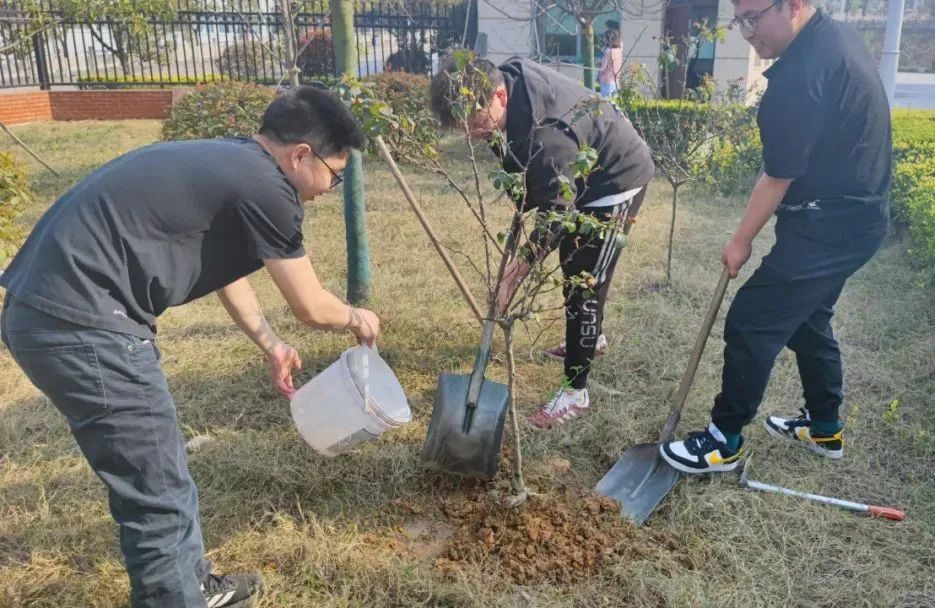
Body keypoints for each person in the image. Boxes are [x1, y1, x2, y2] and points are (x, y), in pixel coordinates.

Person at [0, 86, 380, 608]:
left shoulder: (236, 163)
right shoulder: (270, 187)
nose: (327, 190)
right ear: (301, 156)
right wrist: (358, 317)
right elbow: (311, 306)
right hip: (83, 324)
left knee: (162, 466)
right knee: (156, 492)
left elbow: (223, 268)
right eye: (334, 177)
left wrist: (268, 342)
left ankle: (193, 587)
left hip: (52, 311)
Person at [660, 0, 891, 473]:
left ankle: (724, 441)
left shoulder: (802, 75)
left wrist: (740, 240)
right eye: (739, 19)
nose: (746, 31)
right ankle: (825, 428)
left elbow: (778, 174)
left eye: (753, 17)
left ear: (793, 5)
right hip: (856, 219)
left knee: (752, 319)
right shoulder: (834, 40)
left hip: (831, 226)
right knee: (808, 320)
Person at [429, 55, 654, 429]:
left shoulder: (548, 133)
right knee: (570, 264)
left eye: (476, 121)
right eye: (462, 125)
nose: (471, 133)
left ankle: (575, 393)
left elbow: (555, 215)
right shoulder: (504, 85)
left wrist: (514, 274)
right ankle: (591, 337)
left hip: (615, 181)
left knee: (584, 281)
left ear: (499, 94)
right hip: (578, 168)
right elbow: (525, 170)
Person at [597, 29, 623, 98]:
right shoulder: (619, 50)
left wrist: (599, 62)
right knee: (615, 105)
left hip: (607, 81)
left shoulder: (608, 52)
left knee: (608, 105)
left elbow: (603, 66)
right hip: (616, 81)